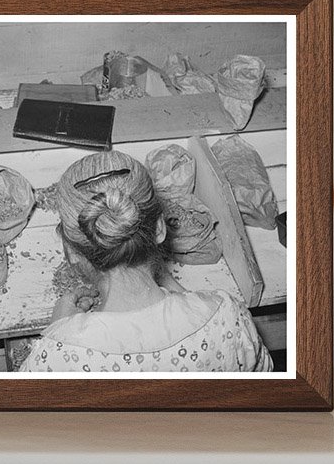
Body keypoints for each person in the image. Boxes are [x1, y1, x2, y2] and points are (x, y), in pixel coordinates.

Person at [20, 150, 273, 374]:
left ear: (71, 251)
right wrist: (182, 295)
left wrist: (58, 329)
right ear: (160, 229)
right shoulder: (227, 318)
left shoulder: (54, 359)